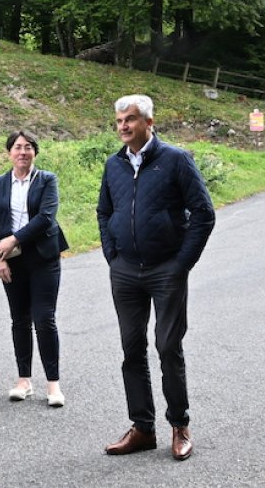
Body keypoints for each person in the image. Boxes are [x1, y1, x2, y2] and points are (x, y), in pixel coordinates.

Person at [96, 94, 216, 461]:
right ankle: (143, 428)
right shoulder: (114, 165)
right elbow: (104, 211)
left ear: (149, 122)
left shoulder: (175, 160)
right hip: (126, 271)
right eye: (119, 121)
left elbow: (203, 213)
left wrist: (182, 263)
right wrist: (112, 255)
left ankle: (179, 425)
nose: (123, 127)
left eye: (130, 120)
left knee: (167, 347)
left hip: (167, 269)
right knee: (132, 350)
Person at [0, 129, 69, 407]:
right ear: (9, 153)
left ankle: (53, 385)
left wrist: (13, 239)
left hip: (43, 257)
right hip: (12, 260)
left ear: (35, 152)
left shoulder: (47, 180)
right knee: (19, 319)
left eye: (29, 147)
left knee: (44, 319)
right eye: (18, 147)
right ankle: (24, 381)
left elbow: (46, 217)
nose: (23, 152)